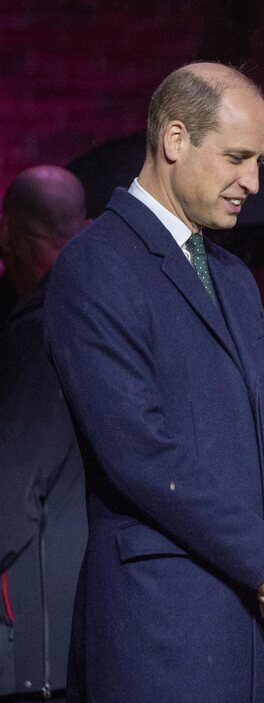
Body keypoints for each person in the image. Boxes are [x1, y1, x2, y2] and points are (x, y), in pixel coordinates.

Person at [44, 63, 264, 703]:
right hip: (166, 627)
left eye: (259, 161)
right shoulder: (95, 264)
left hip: (261, 633)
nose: (253, 182)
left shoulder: (231, 275)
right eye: (237, 157)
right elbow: (140, 452)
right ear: (175, 139)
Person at [0, 166, 88, 703]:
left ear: (12, 233)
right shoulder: (99, 314)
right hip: (74, 613)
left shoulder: (44, 330)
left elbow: (14, 487)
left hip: (35, 633)